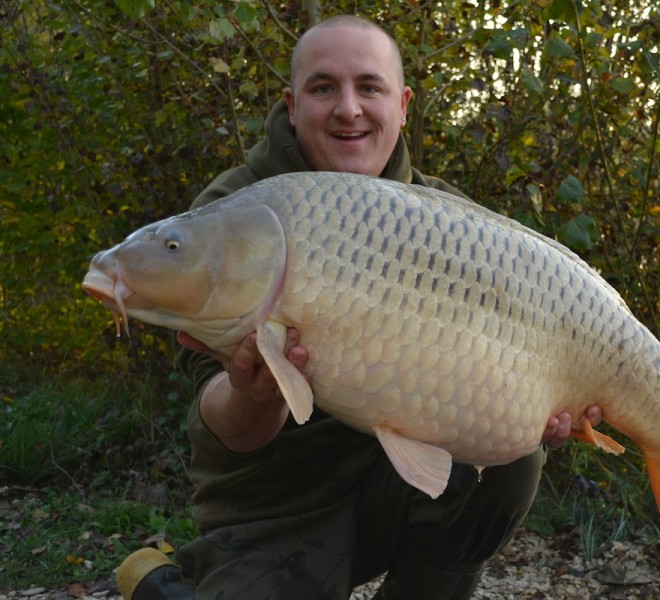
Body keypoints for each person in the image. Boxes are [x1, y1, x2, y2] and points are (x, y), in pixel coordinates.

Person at [116, 15, 603, 600]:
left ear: (402, 106)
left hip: (394, 487)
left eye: (369, 87)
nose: (348, 108)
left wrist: (548, 406)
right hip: (276, 505)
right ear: (292, 106)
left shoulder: (449, 220)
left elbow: (523, 360)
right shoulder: (232, 215)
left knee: (515, 460)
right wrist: (250, 390)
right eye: (323, 88)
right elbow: (225, 425)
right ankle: (168, 579)